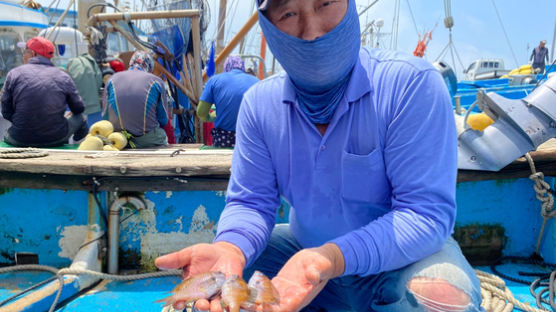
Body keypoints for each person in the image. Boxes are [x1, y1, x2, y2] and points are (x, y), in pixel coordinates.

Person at [156, 0, 482, 311]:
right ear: (268, 27)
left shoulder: (411, 84)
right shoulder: (258, 105)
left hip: (397, 261)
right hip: (302, 252)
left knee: (442, 297)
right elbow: (250, 202)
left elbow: (424, 214)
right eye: (288, 14)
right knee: (216, 283)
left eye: (325, 4)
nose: (312, 32)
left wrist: (330, 259)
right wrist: (230, 248)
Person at [1, 36, 88, 147]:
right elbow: (78, 109)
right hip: (56, 138)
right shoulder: (63, 76)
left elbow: (6, 112)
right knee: (81, 117)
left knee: (8, 132)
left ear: (33, 54)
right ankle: (76, 147)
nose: (23, 56)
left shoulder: (14, 74)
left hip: (19, 139)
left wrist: (25, 124)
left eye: (25, 52)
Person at [103, 50, 170, 148]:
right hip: (146, 140)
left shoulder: (111, 79)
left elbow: (105, 117)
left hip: (118, 139)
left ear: (130, 63)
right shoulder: (156, 82)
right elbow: (163, 120)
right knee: (162, 134)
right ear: (149, 67)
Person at [197, 55, 259, 147]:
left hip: (223, 141)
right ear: (242, 67)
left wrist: (212, 118)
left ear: (226, 67)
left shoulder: (214, 80)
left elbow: (201, 113)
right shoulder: (256, 82)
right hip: (249, 141)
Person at [66, 51, 103, 128]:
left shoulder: (73, 64)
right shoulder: (92, 63)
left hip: (78, 109)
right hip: (95, 109)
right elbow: (99, 81)